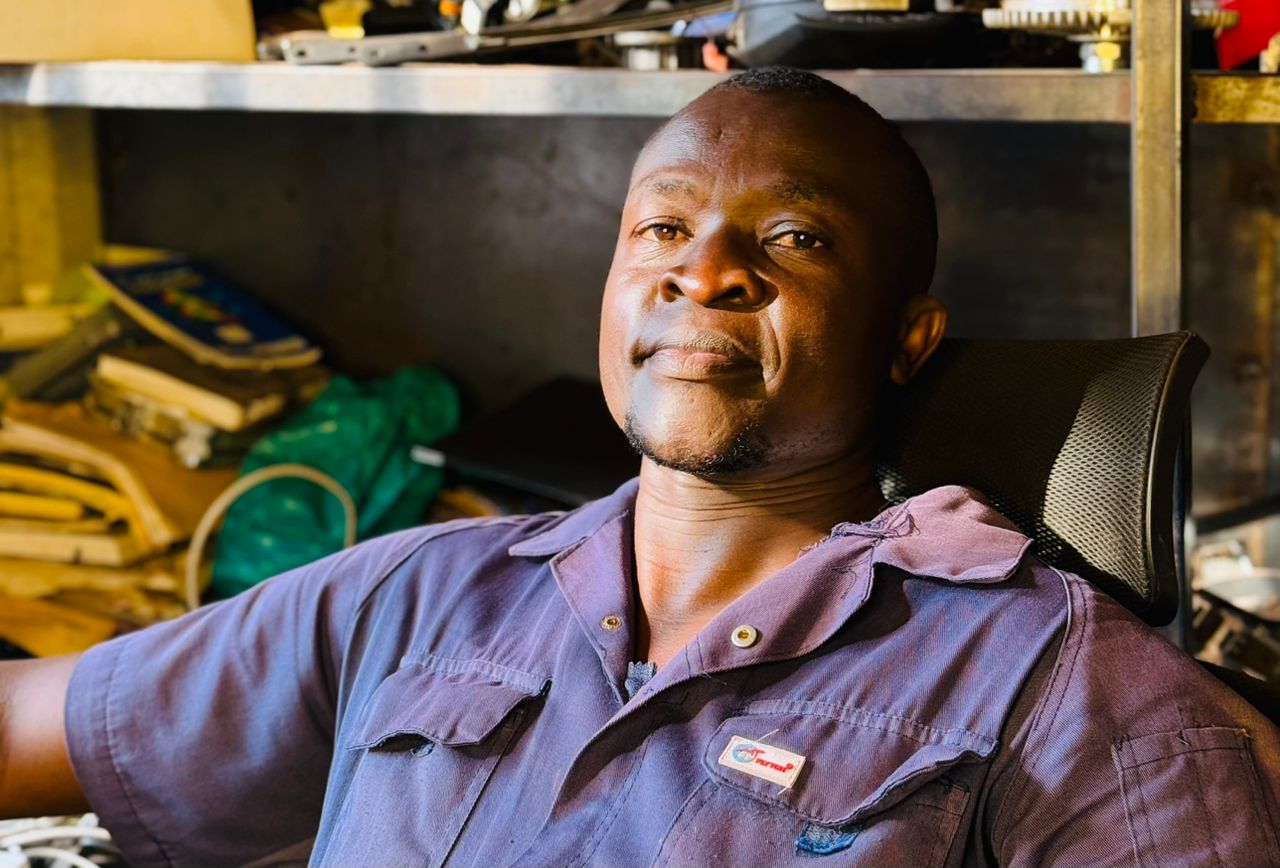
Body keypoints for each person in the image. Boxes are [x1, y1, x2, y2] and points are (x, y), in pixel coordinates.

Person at [1, 67, 1278, 868]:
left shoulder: (1059, 685)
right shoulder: (417, 596)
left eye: (793, 236)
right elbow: (27, 728)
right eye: (662, 225)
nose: (701, 269)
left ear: (906, 338)